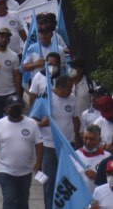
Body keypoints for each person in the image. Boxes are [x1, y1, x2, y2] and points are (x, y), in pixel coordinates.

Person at [0, 95, 43, 209]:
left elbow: (39, 145)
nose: (16, 109)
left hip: (26, 172)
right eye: (12, 107)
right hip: (6, 171)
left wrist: (39, 162)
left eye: (18, 107)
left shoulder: (32, 123)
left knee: (23, 202)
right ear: (6, 109)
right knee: (10, 201)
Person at [33, 76, 80, 209]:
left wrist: (77, 141)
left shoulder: (71, 99)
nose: (71, 92)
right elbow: (31, 122)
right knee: (50, 181)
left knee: (68, 182)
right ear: (60, 87)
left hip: (68, 146)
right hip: (50, 147)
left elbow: (76, 120)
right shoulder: (44, 99)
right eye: (69, 89)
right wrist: (41, 124)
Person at [77, 124, 107, 195]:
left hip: (100, 200)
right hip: (80, 201)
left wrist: (97, 177)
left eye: (91, 139)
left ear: (99, 140)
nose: (88, 142)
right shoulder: (73, 156)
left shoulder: (107, 158)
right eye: (85, 138)